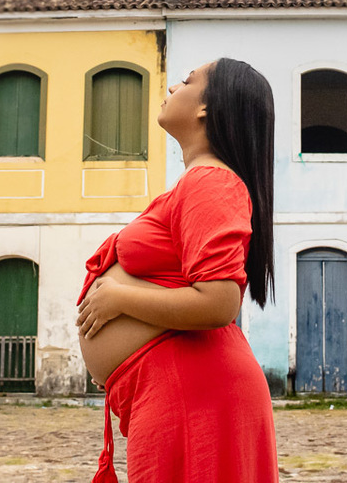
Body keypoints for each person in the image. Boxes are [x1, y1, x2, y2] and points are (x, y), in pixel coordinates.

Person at [76, 58, 278, 483]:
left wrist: (118, 299)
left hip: (196, 394)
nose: (172, 88)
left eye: (187, 81)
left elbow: (220, 301)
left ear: (207, 108)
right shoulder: (200, 182)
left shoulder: (212, 181)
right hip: (179, 389)